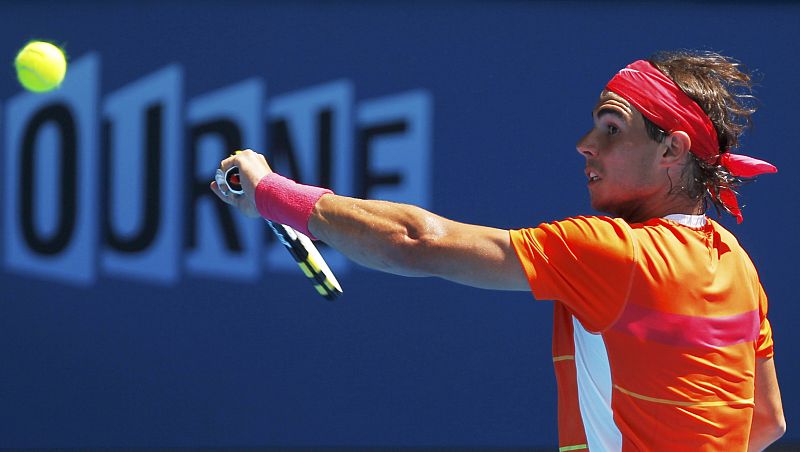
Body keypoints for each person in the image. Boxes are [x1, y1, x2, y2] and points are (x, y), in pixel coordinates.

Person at [211, 50, 785, 451]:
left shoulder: (615, 253)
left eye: (612, 128)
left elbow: (415, 241)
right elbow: (764, 424)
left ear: (672, 151)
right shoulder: (738, 265)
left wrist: (271, 193)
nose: (586, 146)